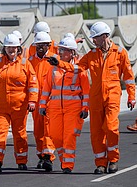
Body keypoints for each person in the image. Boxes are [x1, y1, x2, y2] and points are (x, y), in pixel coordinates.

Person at [47, 21, 136, 174]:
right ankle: (101, 163)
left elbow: (128, 77)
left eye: (96, 38)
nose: (93, 40)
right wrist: (60, 64)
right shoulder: (91, 55)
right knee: (96, 132)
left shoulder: (120, 53)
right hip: (96, 98)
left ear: (105, 36)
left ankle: (113, 159)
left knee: (111, 127)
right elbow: (77, 68)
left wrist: (131, 96)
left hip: (112, 96)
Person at [0, 34, 38, 173]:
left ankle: (21, 160)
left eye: (14, 47)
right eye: (9, 47)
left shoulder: (25, 63)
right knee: (0, 133)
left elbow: (33, 84)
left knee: (20, 134)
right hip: (1, 107)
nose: (11, 50)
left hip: (20, 106)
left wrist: (32, 100)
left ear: (18, 49)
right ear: (4, 48)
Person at [39, 37, 90, 173]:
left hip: (73, 109)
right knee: (55, 136)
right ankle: (64, 160)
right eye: (60, 49)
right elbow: (46, 88)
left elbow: (86, 91)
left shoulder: (80, 69)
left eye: (64, 50)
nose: (61, 53)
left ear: (72, 53)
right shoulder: (54, 69)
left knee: (69, 137)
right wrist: (42, 106)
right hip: (55, 108)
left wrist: (85, 108)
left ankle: (67, 166)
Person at [28, 31, 59, 169]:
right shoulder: (29, 62)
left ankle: (48, 157)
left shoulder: (55, 60)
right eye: (38, 45)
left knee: (48, 129)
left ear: (49, 45)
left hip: (51, 102)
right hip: (36, 102)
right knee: (38, 131)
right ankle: (41, 156)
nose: (40, 47)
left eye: (44, 45)